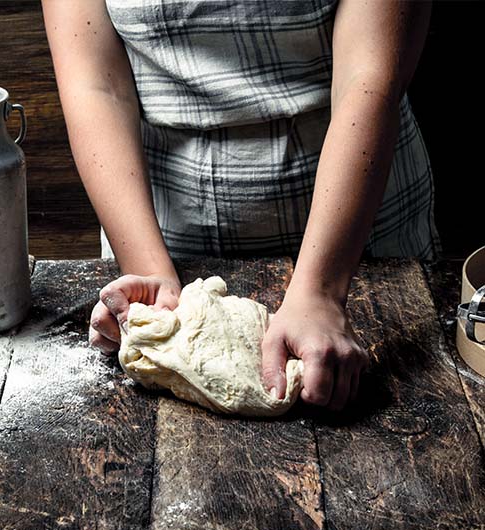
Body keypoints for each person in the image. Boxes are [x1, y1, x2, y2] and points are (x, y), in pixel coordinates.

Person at [41, 0, 441, 411]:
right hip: (158, 229)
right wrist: (147, 271)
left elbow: (367, 78)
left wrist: (321, 291)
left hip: (356, 248)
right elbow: (96, 88)